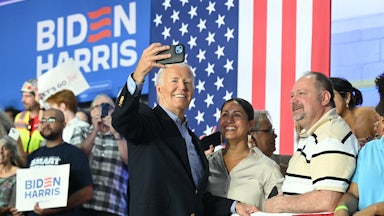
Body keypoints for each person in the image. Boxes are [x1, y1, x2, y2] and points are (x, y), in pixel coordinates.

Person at [111, 43, 257, 216]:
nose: (182, 86)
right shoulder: (146, 120)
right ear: (159, 89)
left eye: (187, 82)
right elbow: (121, 119)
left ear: (193, 91)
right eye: (174, 81)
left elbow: (195, 199)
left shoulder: (193, 141)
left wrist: (234, 206)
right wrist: (139, 74)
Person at [264, 72, 359, 213]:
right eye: (292, 96)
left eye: (301, 93)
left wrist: (281, 204)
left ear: (324, 98)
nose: (293, 101)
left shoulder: (330, 136)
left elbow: (328, 200)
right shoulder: (317, 134)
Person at [10, 108, 93, 216]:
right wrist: (20, 209)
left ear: (63, 124)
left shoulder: (74, 153)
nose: (46, 124)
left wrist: (57, 209)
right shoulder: (33, 155)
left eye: (52, 120)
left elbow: (87, 192)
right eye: (43, 121)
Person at [207, 98, 284, 211]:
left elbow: (280, 210)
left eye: (237, 115)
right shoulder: (206, 164)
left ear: (250, 124)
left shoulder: (267, 168)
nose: (229, 120)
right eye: (225, 115)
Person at [74, 94, 128, 216]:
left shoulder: (125, 135)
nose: (104, 110)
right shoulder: (81, 131)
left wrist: (116, 133)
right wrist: (95, 131)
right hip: (82, 204)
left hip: (113, 205)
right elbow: (77, 157)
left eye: (109, 107)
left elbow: (130, 161)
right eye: (99, 106)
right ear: (91, 111)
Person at [334, 134, 384, 216]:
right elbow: (353, 194)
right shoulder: (369, 149)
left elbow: (375, 209)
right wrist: (342, 209)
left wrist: (374, 209)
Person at [330, 77, 379, 146]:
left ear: (347, 97)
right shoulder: (330, 127)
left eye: (331, 96)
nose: (328, 102)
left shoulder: (367, 113)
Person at [250, 110, 290, 175]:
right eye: (268, 131)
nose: (275, 135)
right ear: (251, 135)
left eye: (272, 131)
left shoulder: (287, 168)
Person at [14, 79, 44, 154]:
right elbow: (12, 141)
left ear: (38, 97)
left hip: (39, 161)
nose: (22, 100)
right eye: (23, 96)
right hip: (21, 161)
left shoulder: (47, 116)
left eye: (27, 96)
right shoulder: (19, 117)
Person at [0, 136, 25, 216]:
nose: (0, 152)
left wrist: (8, 210)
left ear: (12, 152)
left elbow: (14, 207)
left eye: (5, 148)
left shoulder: (21, 174)